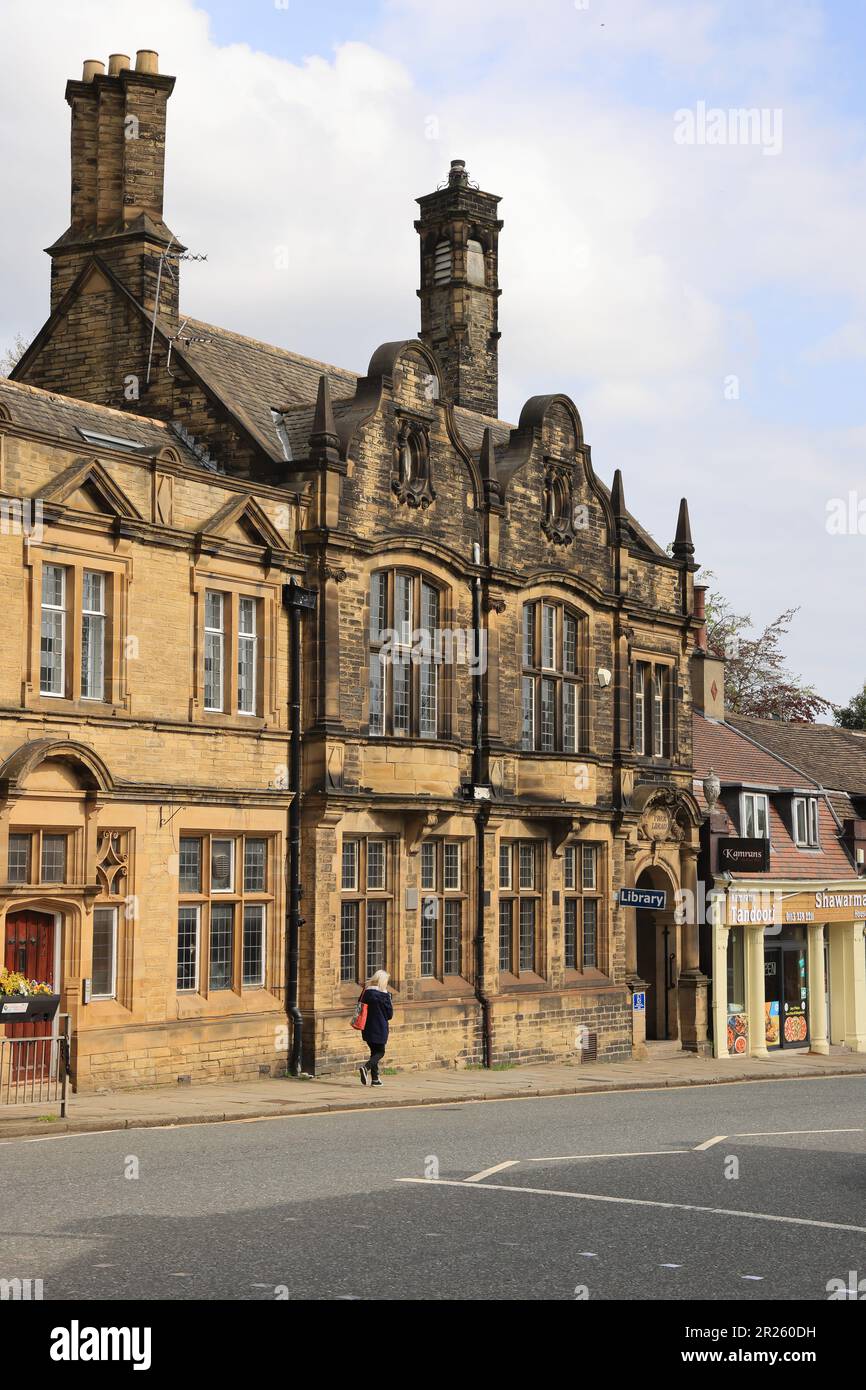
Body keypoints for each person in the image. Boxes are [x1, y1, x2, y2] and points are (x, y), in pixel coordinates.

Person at [358, 970, 393, 1086]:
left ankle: (375, 1079)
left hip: (366, 1027)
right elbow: (389, 1015)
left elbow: (359, 1006)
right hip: (380, 1027)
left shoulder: (365, 993)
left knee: (374, 1052)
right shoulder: (385, 995)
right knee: (380, 1052)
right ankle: (365, 1067)